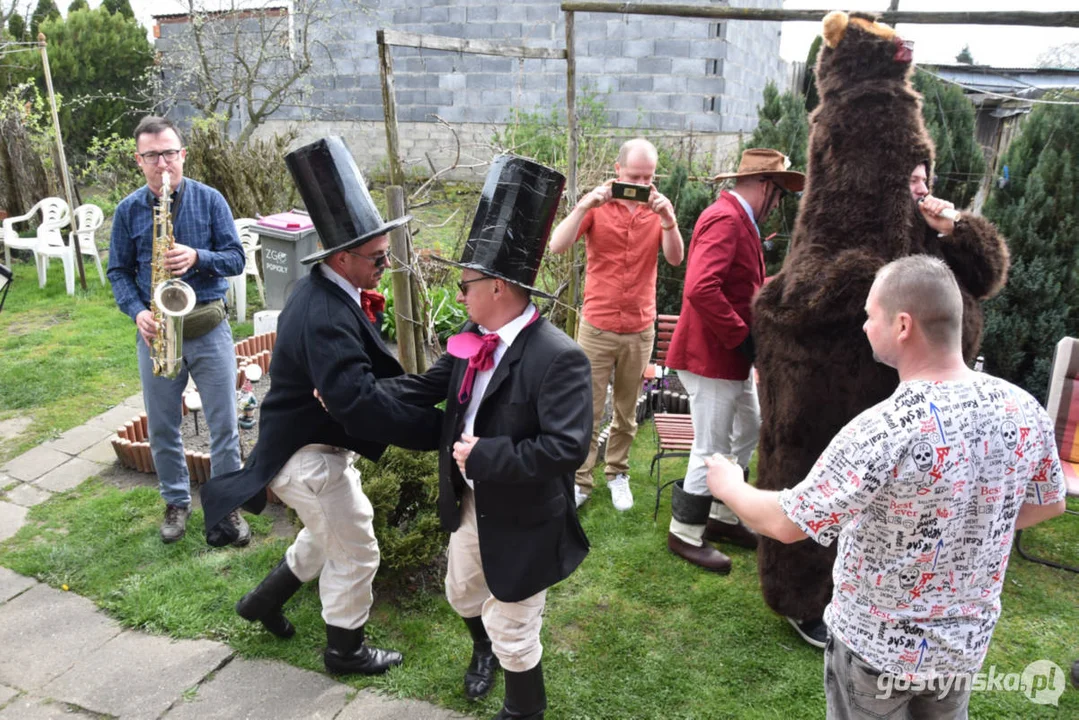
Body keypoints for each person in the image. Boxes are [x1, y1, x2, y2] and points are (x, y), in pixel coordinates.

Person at [707, 255, 1066, 719]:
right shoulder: (1023, 410)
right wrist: (968, 522)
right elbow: (1048, 503)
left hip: (874, 652)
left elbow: (787, 523)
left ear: (902, 325)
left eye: (869, 315)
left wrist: (729, 484)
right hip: (963, 646)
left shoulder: (883, 429)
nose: (863, 326)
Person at [199, 137, 443, 676]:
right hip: (307, 460)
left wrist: (438, 379)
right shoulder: (325, 314)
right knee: (355, 550)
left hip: (300, 447)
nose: (387, 264)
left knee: (322, 533)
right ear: (340, 257)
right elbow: (359, 405)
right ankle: (345, 653)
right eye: (377, 258)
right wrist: (440, 432)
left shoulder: (327, 292)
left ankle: (260, 603)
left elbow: (365, 385)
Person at [386, 156, 591, 720]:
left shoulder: (559, 358)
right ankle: (485, 651)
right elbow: (421, 388)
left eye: (466, 284)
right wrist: (353, 398)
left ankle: (522, 709)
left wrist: (488, 454)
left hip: (525, 515)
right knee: (462, 593)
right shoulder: (473, 336)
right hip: (473, 503)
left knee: (515, 628)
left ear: (498, 286)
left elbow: (569, 448)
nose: (461, 293)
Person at [108, 115, 248, 545]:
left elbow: (236, 259)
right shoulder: (128, 210)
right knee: (164, 427)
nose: (162, 163)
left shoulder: (210, 200)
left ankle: (226, 507)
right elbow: (117, 272)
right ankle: (176, 501)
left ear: (182, 154)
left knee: (224, 425)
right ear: (139, 160)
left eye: (169, 152)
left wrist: (197, 257)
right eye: (152, 155)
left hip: (208, 327)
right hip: (157, 334)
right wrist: (137, 312)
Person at [663, 148, 804, 572]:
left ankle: (723, 515)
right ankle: (684, 532)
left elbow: (741, 283)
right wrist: (743, 337)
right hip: (711, 357)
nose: (779, 205)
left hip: (728, 357)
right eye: (779, 196)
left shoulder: (739, 218)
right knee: (709, 447)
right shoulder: (726, 218)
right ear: (765, 186)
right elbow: (701, 288)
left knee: (751, 428)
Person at [549, 138, 684, 511]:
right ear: (618, 169)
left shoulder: (658, 211)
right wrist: (584, 205)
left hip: (640, 325)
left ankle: (617, 473)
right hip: (597, 324)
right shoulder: (598, 206)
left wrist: (669, 222)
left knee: (627, 410)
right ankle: (580, 480)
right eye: (635, 175)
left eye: (649, 176)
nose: (642, 183)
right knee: (586, 409)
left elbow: (675, 260)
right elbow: (558, 245)